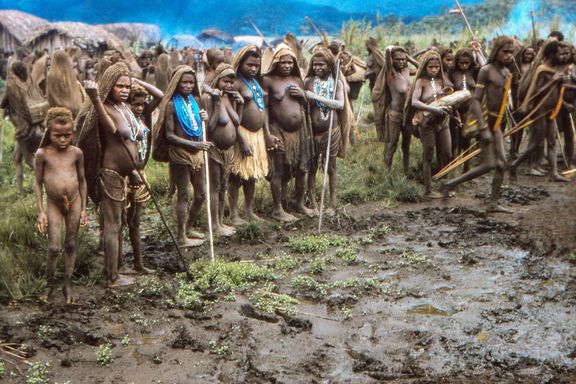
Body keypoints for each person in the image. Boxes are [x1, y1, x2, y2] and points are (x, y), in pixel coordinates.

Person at [79, 62, 142, 287]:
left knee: (118, 223)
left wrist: (133, 169)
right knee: (112, 225)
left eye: (127, 86)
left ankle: (116, 268)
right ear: (109, 87)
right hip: (110, 173)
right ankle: (111, 277)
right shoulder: (104, 107)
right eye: (119, 86)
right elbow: (111, 129)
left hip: (124, 174)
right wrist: (96, 98)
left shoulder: (123, 108)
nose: (124, 90)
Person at [441, 36, 517, 212]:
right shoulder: (486, 70)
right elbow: (475, 100)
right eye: (505, 52)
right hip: (485, 122)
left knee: (500, 164)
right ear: (496, 51)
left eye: (511, 52)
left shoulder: (506, 72)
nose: (508, 56)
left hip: (496, 123)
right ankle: (450, 184)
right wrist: (483, 128)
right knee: (490, 164)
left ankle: (493, 203)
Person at [152, 65, 212, 247]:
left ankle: (188, 227)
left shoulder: (195, 101)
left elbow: (198, 129)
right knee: (184, 194)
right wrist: (195, 144)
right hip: (180, 153)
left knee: (201, 194)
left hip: (197, 153)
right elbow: (170, 136)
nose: (187, 85)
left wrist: (204, 119)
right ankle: (181, 236)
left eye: (191, 82)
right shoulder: (171, 105)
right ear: (176, 83)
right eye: (184, 82)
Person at [35, 107, 88, 303]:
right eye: (58, 135)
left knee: (71, 243)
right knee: (54, 247)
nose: (64, 139)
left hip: (74, 202)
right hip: (54, 204)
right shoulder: (43, 154)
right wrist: (41, 211)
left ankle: (68, 282)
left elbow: (82, 181)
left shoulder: (77, 153)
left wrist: (83, 209)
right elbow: (38, 183)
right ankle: (49, 283)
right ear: (49, 133)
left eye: (68, 135)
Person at [262, 45, 315, 221]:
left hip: (299, 133)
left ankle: (298, 203)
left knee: (301, 169)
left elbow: (306, 108)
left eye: (290, 62)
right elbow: (265, 110)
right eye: (283, 62)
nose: (286, 65)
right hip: (279, 131)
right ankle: (277, 208)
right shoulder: (268, 80)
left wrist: (302, 96)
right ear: (276, 62)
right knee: (278, 170)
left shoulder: (297, 80)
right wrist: (268, 134)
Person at [228, 45, 278, 225]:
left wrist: (266, 133)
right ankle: (234, 214)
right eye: (250, 65)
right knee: (236, 175)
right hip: (242, 134)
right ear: (240, 63)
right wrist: (241, 139)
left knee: (253, 174)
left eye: (256, 65)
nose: (253, 68)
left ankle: (249, 211)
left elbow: (263, 110)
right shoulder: (236, 84)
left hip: (257, 136)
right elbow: (232, 116)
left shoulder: (256, 83)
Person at [511, 40, 572, 182]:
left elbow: (557, 91)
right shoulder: (542, 70)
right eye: (559, 54)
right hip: (540, 111)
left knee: (552, 142)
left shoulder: (556, 69)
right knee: (537, 143)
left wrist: (562, 82)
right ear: (551, 54)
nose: (562, 57)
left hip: (551, 111)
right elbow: (535, 93)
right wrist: (553, 81)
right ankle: (514, 165)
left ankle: (554, 173)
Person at [125, 78, 163, 272]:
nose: (139, 108)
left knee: (136, 221)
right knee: (119, 220)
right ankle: (117, 264)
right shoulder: (122, 117)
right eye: (135, 104)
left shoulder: (144, 117)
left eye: (141, 104)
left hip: (141, 173)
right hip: (124, 174)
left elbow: (160, 95)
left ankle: (138, 263)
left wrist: (137, 81)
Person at [405, 50, 453, 199]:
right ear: (425, 67)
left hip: (443, 123)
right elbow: (414, 101)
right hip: (427, 125)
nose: (434, 70)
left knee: (446, 154)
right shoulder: (420, 82)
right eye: (430, 67)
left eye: (436, 67)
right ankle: (428, 190)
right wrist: (432, 108)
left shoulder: (441, 81)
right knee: (428, 155)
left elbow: (448, 99)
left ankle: (445, 186)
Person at [304, 48, 345, 216]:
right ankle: (313, 203)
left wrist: (315, 97)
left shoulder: (337, 82)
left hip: (331, 131)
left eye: (322, 65)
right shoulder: (308, 82)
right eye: (315, 65)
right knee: (312, 167)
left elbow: (340, 105)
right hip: (313, 132)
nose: (318, 68)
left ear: (329, 66)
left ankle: (332, 204)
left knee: (331, 168)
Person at [202, 63, 241, 236]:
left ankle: (221, 222)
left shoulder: (228, 98)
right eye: (225, 81)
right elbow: (209, 127)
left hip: (228, 151)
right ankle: (214, 224)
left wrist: (240, 103)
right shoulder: (209, 98)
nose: (229, 85)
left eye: (231, 82)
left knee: (224, 186)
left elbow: (237, 121)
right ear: (217, 80)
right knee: (215, 186)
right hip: (215, 150)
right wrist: (217, 104)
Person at [1, 60, 47, 193]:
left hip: (23, 129)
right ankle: (20, 190)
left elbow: (3, 104)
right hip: (37, 124)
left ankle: (47, 179)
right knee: (17, 157)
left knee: (29, 160)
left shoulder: (12, 87)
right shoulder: (31, 82)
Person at [381, 46, 414, 173]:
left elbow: (421, 67)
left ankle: (406, 171)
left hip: (408, 115)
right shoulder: (390, 73)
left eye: (403, 59)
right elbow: (387, 57)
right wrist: (389, 50)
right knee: (392, 145)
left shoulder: (406, 71)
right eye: (397, 59)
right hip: (395, 115)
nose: (401, 62)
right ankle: (386, 173)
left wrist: (408, 57)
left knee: (406, 145)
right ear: (392, 60)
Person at [46, 50, 86, 117]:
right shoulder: (71, 73)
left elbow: (49, 95)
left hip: (59, 111)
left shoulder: (51, 75)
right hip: (74, 110)